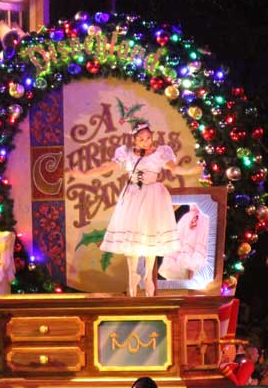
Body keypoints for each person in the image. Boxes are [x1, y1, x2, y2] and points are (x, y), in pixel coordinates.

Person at [74, 121, 199, 297]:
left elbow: (175, 168)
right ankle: (132, 275)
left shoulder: (160, 152)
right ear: (134, 140)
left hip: (153, 195)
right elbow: (107, 167)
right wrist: (85, 174)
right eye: (141, 139)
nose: (146, 142)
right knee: (131, 237)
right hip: (133, 195)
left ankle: (148, 275)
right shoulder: (126, 153)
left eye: (148, 138)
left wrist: (192, 170)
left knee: (151, 236)